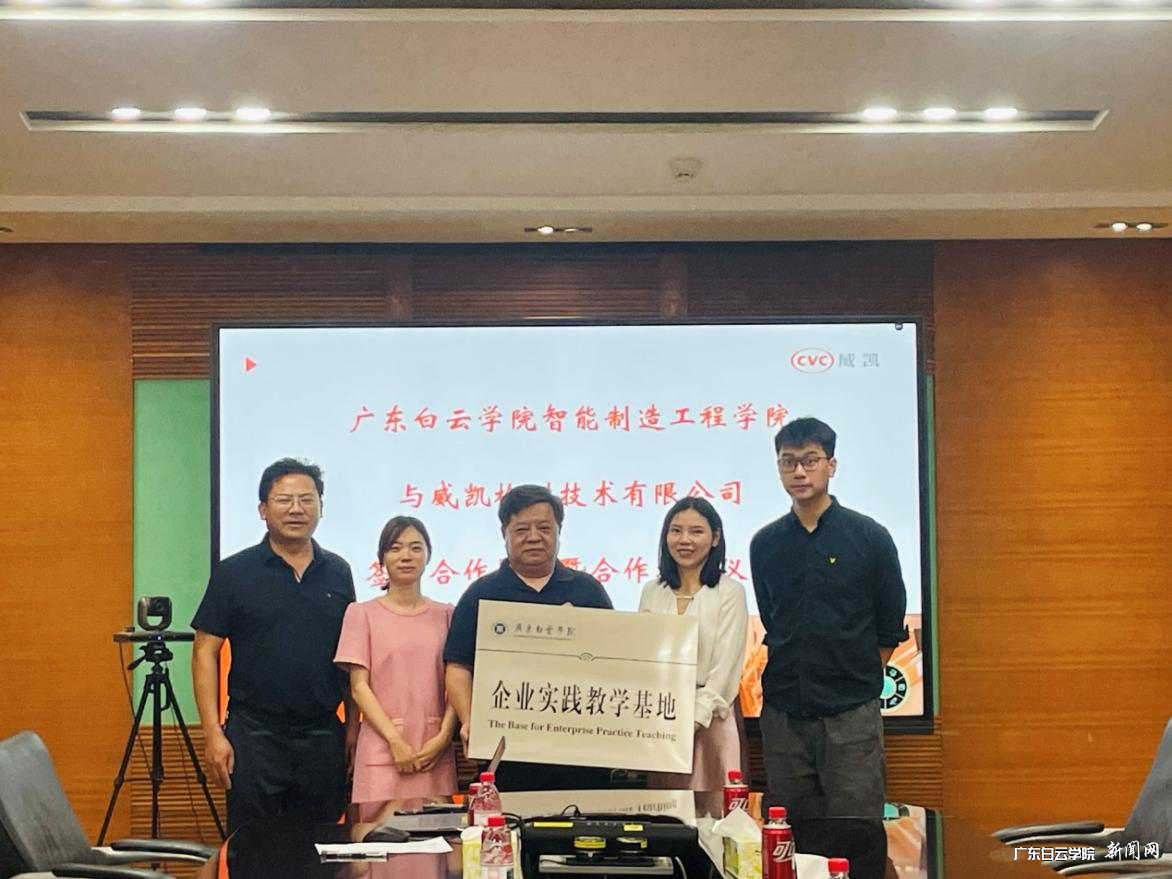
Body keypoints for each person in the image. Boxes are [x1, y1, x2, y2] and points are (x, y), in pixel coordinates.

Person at [750, 417, 908, 818]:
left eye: (810, 460)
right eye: (788, 462)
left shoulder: (870, 537)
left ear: (831, 465)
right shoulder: (765, 543)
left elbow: (889, 625)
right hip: (784, 712)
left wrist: (854, 675)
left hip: (850, 715)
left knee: (856, 829)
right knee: (790, 833)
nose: (799, 472)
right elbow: (773, 618)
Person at [191, 458, 356, 833]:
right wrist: (212, 733)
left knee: (321, 847)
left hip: (322, 736)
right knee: (253, 848)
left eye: (307, 499)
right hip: (254, 738)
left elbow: (349, 658)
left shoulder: (338, 572)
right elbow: (204, 652)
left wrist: (353, 729)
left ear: (321, 507)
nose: (297, 509)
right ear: (263, 510)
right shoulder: (234, 572)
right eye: (284, 500)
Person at [443, 483, 613, 790]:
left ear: (559, 531)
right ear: (504, 533)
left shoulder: (588, 590)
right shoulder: (481, 593)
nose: (534, 537)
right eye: (522, 529)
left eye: (544, 528)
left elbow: (614, 664)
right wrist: (470, 720)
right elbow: (458, 668)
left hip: (581, 751)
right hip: (507, 754)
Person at [334, 516, 457, 818]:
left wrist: (444, 736)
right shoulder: (361, 614)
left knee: (439, 838)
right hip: (382, 748)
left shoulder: (447, 614)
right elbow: (359, 688)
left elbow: (458, 684)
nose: (406, 556)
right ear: (382, 559)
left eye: (416, 548)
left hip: (432, 750)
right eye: (395, 548)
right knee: (378, 841)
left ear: (428, 556)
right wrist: (395, 741)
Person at [638, 497, 748, 790]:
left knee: (712, 811)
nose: (684, 540)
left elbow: (726, 669)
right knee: (665, 810)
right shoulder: (652, 591)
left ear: (715, 538)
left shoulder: (729, 592)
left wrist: (693, 721)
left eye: (696, 531)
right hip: (661, 720)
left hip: (711, 722)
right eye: (676, 531)